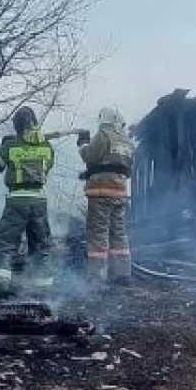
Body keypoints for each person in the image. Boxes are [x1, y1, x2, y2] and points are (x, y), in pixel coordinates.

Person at [0, 106, 56, 294]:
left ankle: (1, 284)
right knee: (40, 245)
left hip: (17, 201)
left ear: (16, 125)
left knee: (7, 243)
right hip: (39, 202)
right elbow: (48, 165)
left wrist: (3, 146)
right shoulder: (46, 147)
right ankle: (43, 288)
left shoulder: (10, 146)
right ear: (34, 122)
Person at [78, 106, 135, 284]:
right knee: (119, 232)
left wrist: (83, 144)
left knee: (98, 233)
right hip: (119, 192)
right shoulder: (126, 140)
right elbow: (124, 166)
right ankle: (122, 274)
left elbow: (89, 156)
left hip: (100, 193)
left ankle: (96, 275)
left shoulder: (103, 135)